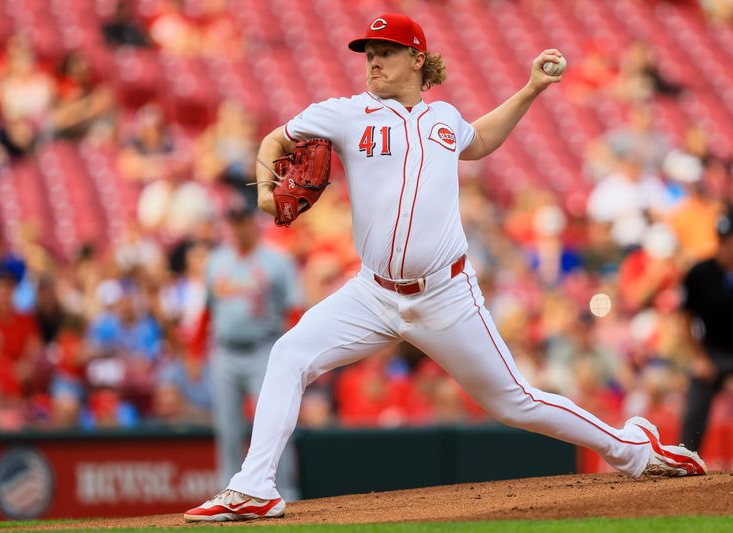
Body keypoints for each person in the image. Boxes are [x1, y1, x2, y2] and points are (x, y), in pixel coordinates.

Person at [183, 13, 707, 523]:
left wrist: (530, 90)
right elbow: (275, 140)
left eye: (386, 53)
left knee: (516, 403)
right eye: (369, 54)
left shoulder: (444, 119)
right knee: (290, 353)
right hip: (372, 294)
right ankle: (254, 487)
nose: (373, 62)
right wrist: (264, 195)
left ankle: (633, 450)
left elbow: (478, 142)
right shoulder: (344, 114)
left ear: (416, 59)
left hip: (446, 295)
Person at [197, 202, 302, 502]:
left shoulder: (277, 261)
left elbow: (294, 309)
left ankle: (286, 493)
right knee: (227, 429)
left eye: (243, 220)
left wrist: (296, 354)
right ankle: (227, 494)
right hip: (225, 353)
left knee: (274, 425)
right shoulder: (217, 260)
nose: (239, 226)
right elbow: (208, 310)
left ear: (253, 223)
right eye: (234, 220)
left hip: (264, 350)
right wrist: (195, 351)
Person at [680, 207, 733, 452]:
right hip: (711, 353)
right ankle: (688, 459)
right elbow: (684, 318)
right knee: (693, 413)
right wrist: (699, 358)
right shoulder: (701, 273)